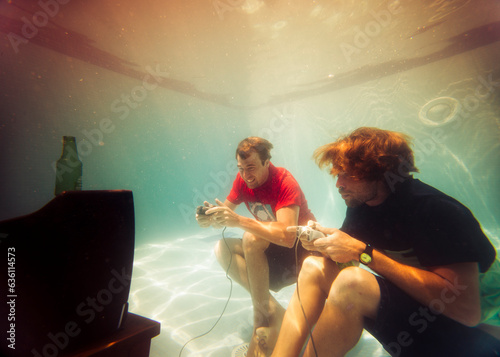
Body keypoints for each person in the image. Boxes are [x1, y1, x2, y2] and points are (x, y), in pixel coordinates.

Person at [271, 127, 500, 357]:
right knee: (314, 267)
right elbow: (346, 250)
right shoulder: (363, 207)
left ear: (379, 170)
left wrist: (364, 253)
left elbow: (467, 312)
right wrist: (324, 242)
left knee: (353, 284)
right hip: (426, 314)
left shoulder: (436, 210)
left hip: (478, 336)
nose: (338, 184)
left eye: (347, 174)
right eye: (337, 174)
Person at [196, 137, 317, 357]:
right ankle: (271, 312)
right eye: (240, 168)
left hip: (299, 259)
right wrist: (210, 219)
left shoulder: (284, 181)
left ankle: (260, 321)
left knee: (250, 238)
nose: (245, 175)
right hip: (270, 258)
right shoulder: (243, 181)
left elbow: (288, 237)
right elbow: (226, 214)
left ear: (267, 161)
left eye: (250, 168)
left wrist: (239, 221)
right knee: (222, 248)